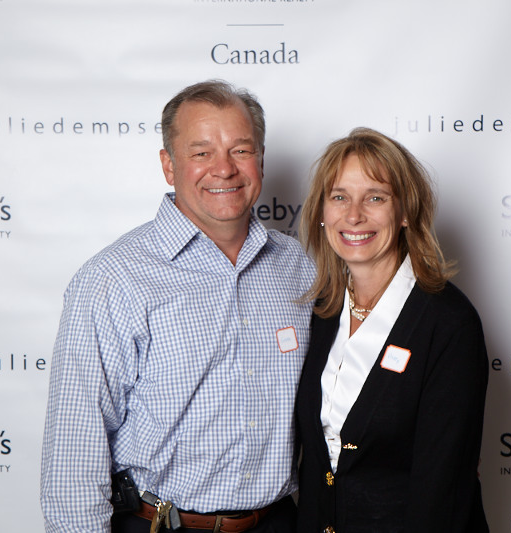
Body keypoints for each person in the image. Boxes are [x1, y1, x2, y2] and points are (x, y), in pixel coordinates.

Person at [40, 80, 315, 533]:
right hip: (161, 525)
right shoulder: (113, 279)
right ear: (169, 165)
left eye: (241, 150)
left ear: (261, 160)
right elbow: (75, 450)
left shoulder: (300, 268)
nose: (224, 169)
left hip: (279, 521)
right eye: (201, 152)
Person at [295, 127, 489, 532]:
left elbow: (444, 490)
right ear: (321, 212)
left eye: (375, 198)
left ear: (404, 213)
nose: (353, 215)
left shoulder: (449, 323)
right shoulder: (323, 312)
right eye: (339, 197)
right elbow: (318, 465)